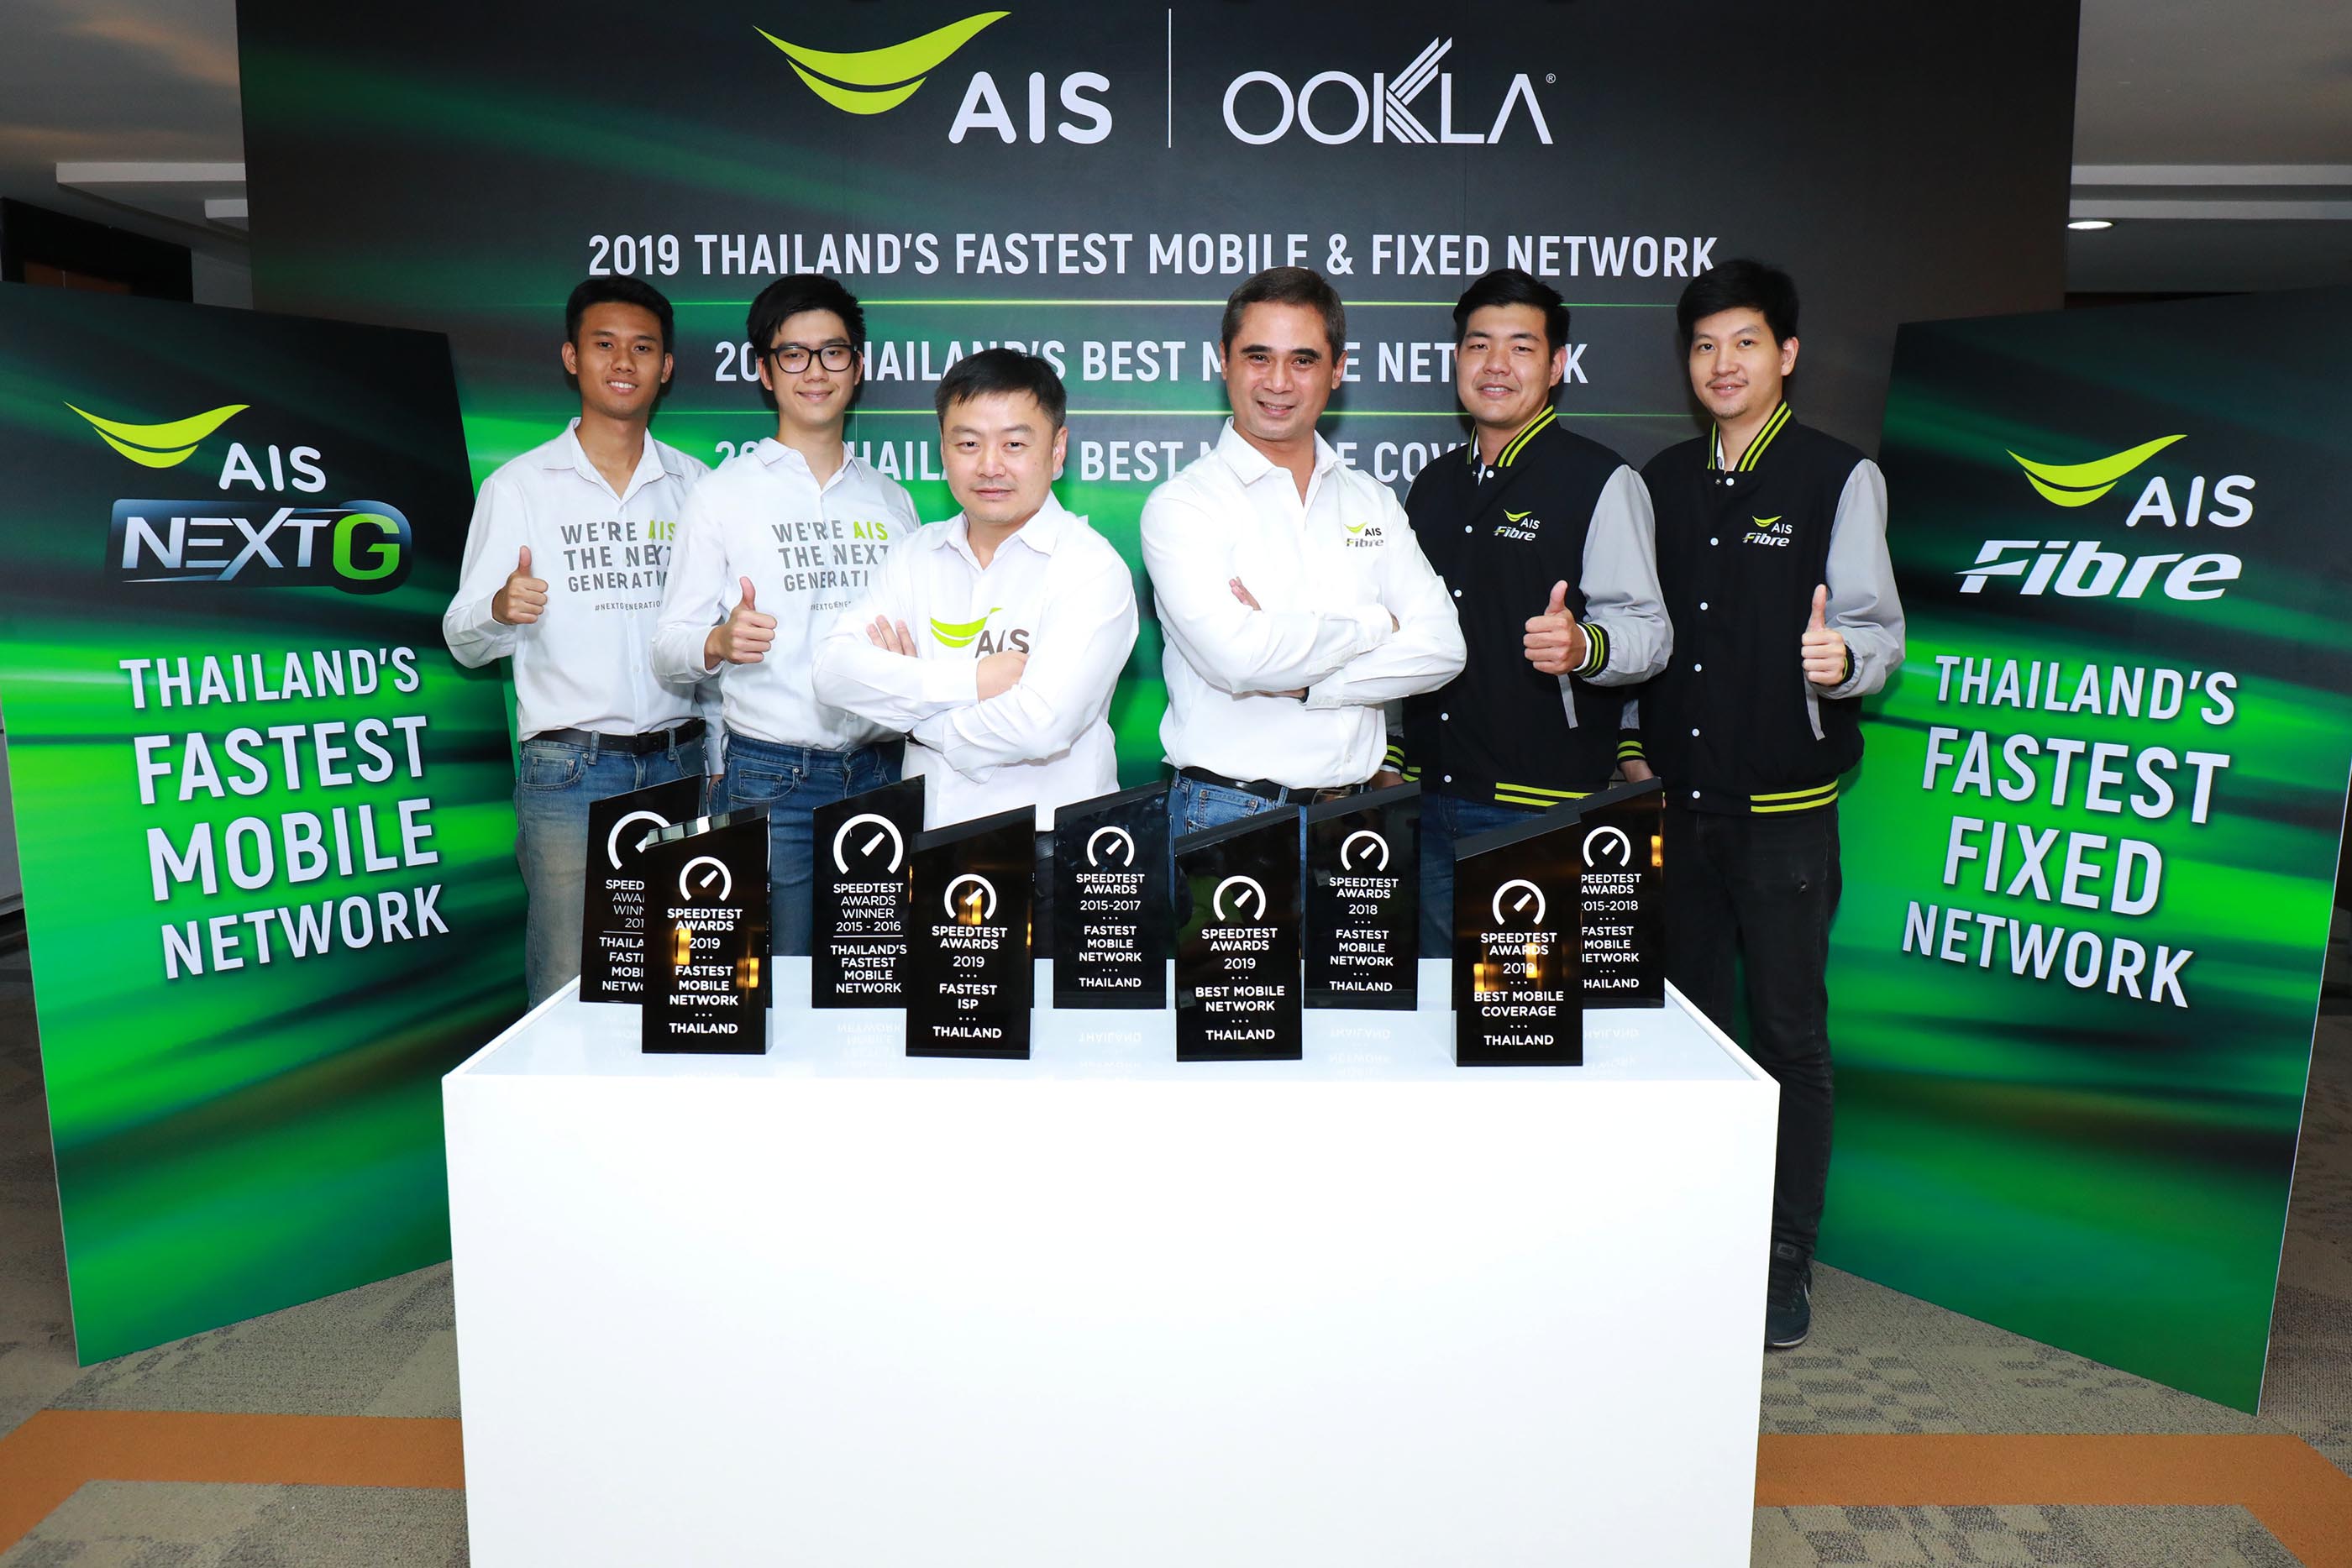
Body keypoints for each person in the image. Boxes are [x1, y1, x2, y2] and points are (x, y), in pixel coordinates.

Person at [1624, 259, 1905, 1350]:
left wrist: (1844, 660)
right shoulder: (1659, 480)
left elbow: (1875, 632)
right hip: (1678, 807)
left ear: (1785, 354)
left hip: (1785, 812)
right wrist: (1632, 742)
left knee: (1789, 1035)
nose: (1722, 364)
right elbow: (1641, 631)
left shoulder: (1838, 476)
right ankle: (1702, 1235)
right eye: (1704, 346)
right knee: (1691, 1032)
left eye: (1744, 342)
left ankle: (1785, 1254)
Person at [444, 276, 711, 1005]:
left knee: (687, 984)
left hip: (682, 761)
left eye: (643, 347)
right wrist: (500, 608)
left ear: (666, 367)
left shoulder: (698, 487)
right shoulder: (520, 487)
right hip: (570, 774)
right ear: (572, 358)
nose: (623, 361)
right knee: (569, 984)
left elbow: (709, 648)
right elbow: (462, 639)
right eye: (604, 344)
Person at [1399, 268, 1670, 957]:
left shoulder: (1600, 479)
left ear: (1556, 366)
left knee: (1521, 1011)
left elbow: (1649, 633)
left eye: (1521, 347)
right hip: (1424, 800)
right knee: (1431, 1008)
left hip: (1537, 808)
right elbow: (1403, 635)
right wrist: (1393, 758)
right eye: (1479, 345)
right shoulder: (1431, 485)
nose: (1496, 364)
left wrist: (1585, 646)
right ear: (1457, 359)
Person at [813, 349, 1137, 925]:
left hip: (1051, 854)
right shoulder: (915, 555)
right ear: (943, 450)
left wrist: (916, 717)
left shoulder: (1089, 567)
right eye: (968, 443)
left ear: (1057, 450)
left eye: (1014, 444)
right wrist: (974, 681)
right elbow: (833, 673)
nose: (990, 465)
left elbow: (1041, 723)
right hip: (924, 842)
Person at [1141, 266, 1464, 843]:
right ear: (1224, 360)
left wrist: (1311, 685)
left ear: (1337, 369)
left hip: (1359, 815)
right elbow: (1241, 660)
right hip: (1229, 812)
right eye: (1258, 356)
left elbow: (1443, 647)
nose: (1278, 382)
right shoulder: (1184, 505)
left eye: (1303, 360)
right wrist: (1377, 625)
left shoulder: (1371, 499)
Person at [652, 275, 919, 956]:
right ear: (765, 372)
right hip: (772, 780)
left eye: (833, 352)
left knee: (875, 989)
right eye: (793, 355)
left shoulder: (892, 501)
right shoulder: (723, 495)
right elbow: (667, 648)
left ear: (858, 366)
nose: (815, 371)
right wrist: (717, 640)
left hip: (882, 774)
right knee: (779, 986)